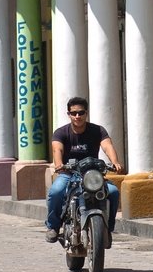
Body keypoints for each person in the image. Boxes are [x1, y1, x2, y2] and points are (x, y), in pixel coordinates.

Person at [45, 97, 124, 245]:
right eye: (73, 113)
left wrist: (115, 162)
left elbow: (107, 146)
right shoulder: (61, 132)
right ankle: (53, 227)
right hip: (69, 174)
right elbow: (57, 149)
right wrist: (59, 164)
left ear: (86, 113)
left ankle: (107, 229)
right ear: (68, 114)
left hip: (92, 175)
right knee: (56, 191)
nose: (77, 116)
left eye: (81, 113)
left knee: (113, 192)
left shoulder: (97, 130)